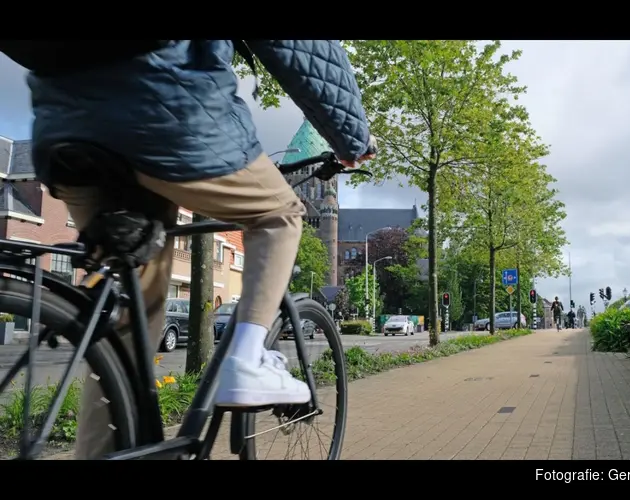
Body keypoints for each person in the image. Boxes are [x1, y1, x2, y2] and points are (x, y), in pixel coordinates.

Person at [0, 40, 376, 458]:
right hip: (166, 105)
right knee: (281, 213)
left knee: (127, 321)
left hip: (62, 123)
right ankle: (247, 361)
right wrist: (352, 135)